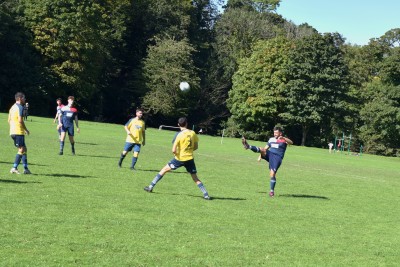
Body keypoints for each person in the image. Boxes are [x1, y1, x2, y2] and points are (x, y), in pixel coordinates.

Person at [144, 117, 211, 200]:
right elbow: (196, 147)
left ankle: (150, 187)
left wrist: (177, 154)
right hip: (190, 158)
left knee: (164, 170)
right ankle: (206, 194)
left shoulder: (179, 134)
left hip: (179, 159)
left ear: (178, 125)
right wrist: (188, 150)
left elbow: (173, 150)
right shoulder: (193, 133)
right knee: (195, 178)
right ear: (186, 123)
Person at [242, 126, 293, 197]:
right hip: (270, 154)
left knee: (272, 174)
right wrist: (260, 156)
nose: (275, 134)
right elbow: (265, 148)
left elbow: (291, 142)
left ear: (280, 133)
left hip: (277, 158)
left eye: (276, 133)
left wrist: (284, 138)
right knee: (262, 149)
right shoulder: (271, 139)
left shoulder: (284, 140)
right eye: (274, 133)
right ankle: (248, 146)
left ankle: (272, 191)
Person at [8, 92, 31, 174]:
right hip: (18, 131)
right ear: (20, 98)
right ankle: (14, 168)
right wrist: (26, 129)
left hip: (13, 131)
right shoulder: (20, 107)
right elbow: (20, 120)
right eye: (24, 98)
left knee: (24, 149)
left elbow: (9, 120)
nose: (25, 99)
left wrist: (12, 128)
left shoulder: (12, 107)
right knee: (21, 149)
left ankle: (25, 169)